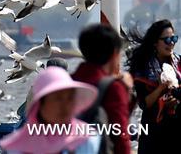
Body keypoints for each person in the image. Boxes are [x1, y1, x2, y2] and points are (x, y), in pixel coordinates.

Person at [0, 67, 101, 154]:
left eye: (70, 98)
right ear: (40, 104)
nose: (65, 106)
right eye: (58, 98)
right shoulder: (16, 148)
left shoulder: (87, 140)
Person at [72, 24, 134, 154]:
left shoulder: (66, 82)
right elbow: (120, 134)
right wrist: (126, 91)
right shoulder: (113, 87)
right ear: (114, 54)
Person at [128, 19, 180, 153]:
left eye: (174, 38)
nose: (172, 43)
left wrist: (176, 99)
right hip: (154, 131)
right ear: (155, 43)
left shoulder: (179, 63)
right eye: (167, 40)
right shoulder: (143, 68)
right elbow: (144, 103)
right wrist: (161, 88)